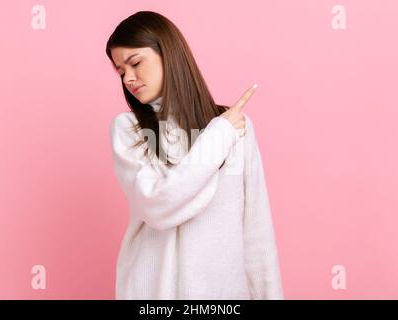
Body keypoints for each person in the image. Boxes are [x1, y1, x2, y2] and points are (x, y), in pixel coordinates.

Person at [106, 11, 284, 300]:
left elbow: (256, 232)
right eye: (120, 70)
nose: (128, 77)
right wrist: (217, 137)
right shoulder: (129, 129)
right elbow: (158, 204)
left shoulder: (235, 127)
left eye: (135, 62)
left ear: (169, 53)